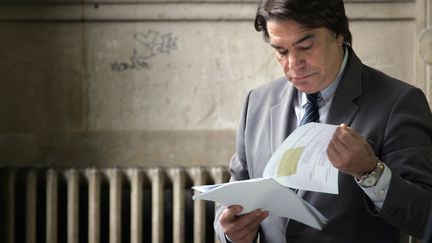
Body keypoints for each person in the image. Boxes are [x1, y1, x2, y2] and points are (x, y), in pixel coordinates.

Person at [213, 0, 432, 242]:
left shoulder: (398, 102)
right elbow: (233, 192)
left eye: (305, 46)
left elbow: (424, 216)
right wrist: (228, 231)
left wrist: (370, 172)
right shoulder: (256, 103)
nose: (294, 64)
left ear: (338, 34)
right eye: (281, 52)